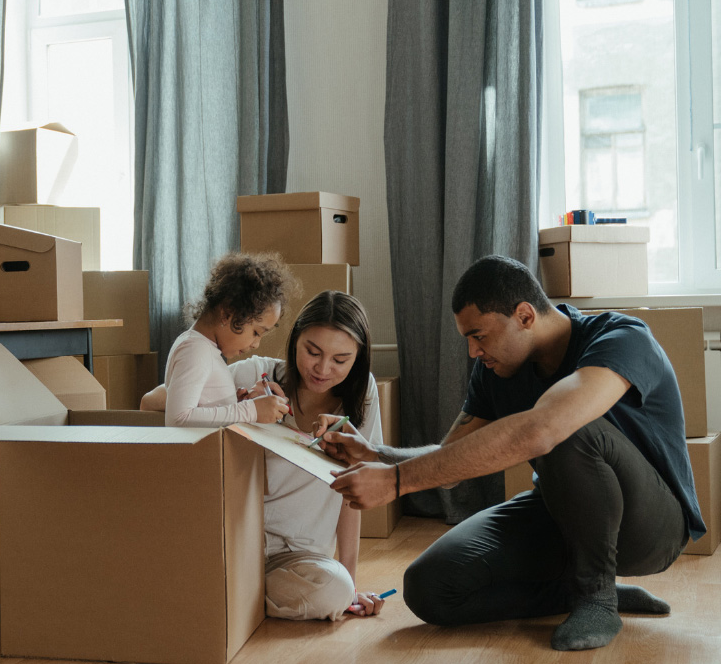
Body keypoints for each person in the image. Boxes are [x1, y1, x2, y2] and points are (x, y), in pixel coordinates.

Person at [318, 255, 702, 651]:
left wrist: (397, 483)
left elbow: (545, 429)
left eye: (479, 335)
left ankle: (597, 598)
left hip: (651, 528)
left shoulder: (621, 337)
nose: (472, 351)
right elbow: (451, 460)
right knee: (429, 587)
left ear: (524, 316)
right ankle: (576, 591)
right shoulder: (495, 370)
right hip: (561, 513)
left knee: (566, 426)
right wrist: (378, 456)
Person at [145, 289, 390, 620]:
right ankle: (230, 592)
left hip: (299, 558)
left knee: (336, 590)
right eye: (312, 352)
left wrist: (351, 582)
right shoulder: (256, 373)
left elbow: (353, 492)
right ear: (294, 341)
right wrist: (240, 402)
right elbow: (153, 402)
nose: (322, 368)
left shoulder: (364, 397)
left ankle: (226, 594)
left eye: (340, 360)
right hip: (234, 543)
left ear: (358, 359)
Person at [161, 252, 294, 426]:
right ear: (228, 313)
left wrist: (235, 405)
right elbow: (178, 419)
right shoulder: (196, 350)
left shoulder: (204, 349)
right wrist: (250, 410)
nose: (256, 344)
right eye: (256, 332)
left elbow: (203, 412)